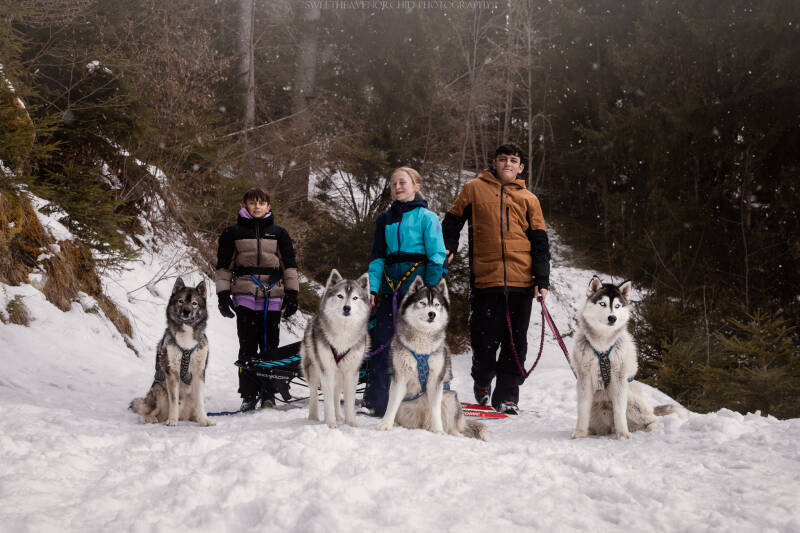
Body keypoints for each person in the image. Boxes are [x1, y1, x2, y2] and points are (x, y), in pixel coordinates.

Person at [442, 143, 550, 415]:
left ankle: (507, 396)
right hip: (485, 280)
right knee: (484, 340)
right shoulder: (473, 189)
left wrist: (542, 279)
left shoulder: (530, 199)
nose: (508, 164)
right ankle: (482, 379)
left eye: (513, 160)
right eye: (503, 159)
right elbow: (452, 221)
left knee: (516, 342)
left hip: (521, 281)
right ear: (494, 163)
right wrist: (448, 247)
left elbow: (540, 242)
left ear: (520, 167)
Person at [362, 166, 447, 416]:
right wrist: (373, 288)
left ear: (416, 186)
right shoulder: (384, 219)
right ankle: (377, 400)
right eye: (393, 183)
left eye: (403, 182)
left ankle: (431, 398)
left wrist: (429, 290)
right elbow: (378, 257)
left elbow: (436, 255)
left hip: (418, 294)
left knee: (424, 345)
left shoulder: (427, 217)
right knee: (382, 343)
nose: (397, 187)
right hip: (390, 290)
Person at [215, 188, 299, 410]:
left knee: (271, 346)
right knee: (247, 345)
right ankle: (248, 394)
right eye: (252, 203)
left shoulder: (279, 233)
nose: (257, 207)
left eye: (261, 203)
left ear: (268, 207)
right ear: (244, 205)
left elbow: (289, 265)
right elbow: (224, 266)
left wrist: (292, 293)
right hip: (244, 293)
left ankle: (269, 394)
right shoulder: (232, 232)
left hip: (273, 294)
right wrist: (223, 294)